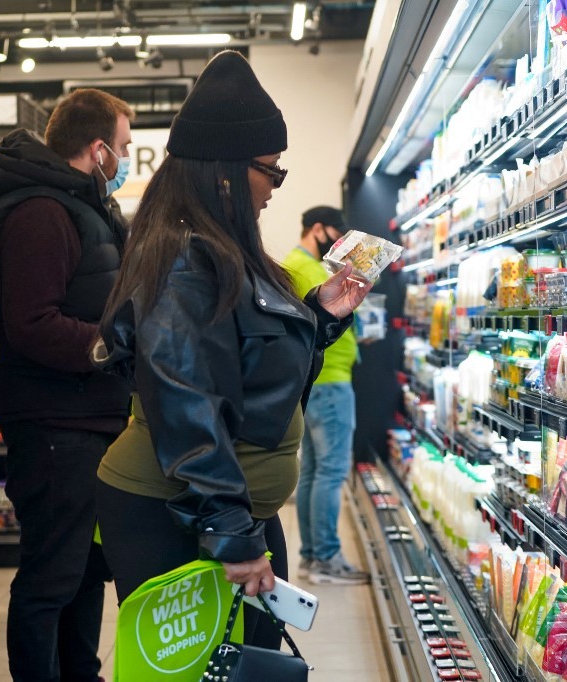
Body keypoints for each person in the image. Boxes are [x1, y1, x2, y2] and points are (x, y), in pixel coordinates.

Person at [91, 50, 370, 650]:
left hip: (226, 511)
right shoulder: (185, 259)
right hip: (182, 514)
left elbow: (249, 374)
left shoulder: (221, 250)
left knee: (249, 661)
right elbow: (185, 402)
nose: (275, 186)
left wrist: (319, 318)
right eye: (271, 169)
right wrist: (232, 534)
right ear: (226, 170)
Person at [0, 88, 134, 682]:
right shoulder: (39, 212)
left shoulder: (79, 207)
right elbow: (31, 324)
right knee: (51, 577)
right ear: (97, 150)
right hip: (53, 425)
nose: (122, 159)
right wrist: (112, 344)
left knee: (86, 570)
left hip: (87, 420)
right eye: (120, 148)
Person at [282, 206, 370, 585]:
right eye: (335, 235)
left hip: (317, 381)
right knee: (331, 473)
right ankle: (327, 559)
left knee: (314, 473)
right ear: (317, 229)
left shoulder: (294, 263)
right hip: (329, 381)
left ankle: (311, 558)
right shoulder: (308, 269)